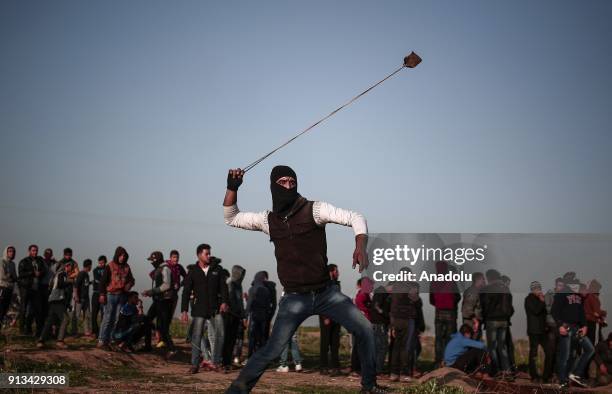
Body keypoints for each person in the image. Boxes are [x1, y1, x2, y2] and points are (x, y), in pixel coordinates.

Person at [223, 166, 382, 394]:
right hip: (294, 298)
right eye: (283, 183)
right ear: (273, 186)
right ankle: (236, 391)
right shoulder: (267, 220)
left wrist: (360, 246)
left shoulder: (315, 209)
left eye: (292, 182)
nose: (288, 186)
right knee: (273, 350)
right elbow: (231, 217)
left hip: (326, 293)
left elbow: (355, 217)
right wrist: (232, 187)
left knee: (365, 328)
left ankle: (369, 387)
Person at [181, 243, 229, 374]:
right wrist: (184, 310)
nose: (209, 256)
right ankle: (194, 365)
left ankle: (216, 363)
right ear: (199, 255)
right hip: (199, 309)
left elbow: (223, 288)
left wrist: (224, 302)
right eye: (206, 253)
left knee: (220, 334)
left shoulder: (217, 269)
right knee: (196, 336)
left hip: (216, 308)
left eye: (209, 253)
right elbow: (186, 292)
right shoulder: (193, 272)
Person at [551, 276, 595, 388]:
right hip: (566, 327)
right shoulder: (561, 294)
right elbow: (554, 311)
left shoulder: (578, 297)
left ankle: (576, 374)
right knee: (565, 355)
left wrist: (585, 326)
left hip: (577, 328)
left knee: (590, 349)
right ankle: (562, 380)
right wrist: (560, 325)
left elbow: (581, 313)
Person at [97, 246, 135, 349]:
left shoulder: (127, 267)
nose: (122, 257)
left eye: (124, 256)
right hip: (110, 295)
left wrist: (129, 285)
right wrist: (101, 294)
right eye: (121, 255)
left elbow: (132, 280)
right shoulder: (110, 266)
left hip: (121, 296)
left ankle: (109, 340)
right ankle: (101, 340)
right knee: (108, 318)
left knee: (117, 319)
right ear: (117, 255)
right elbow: (103, 282)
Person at [389, 269, 423, 382]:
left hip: (395, 319)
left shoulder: (394, 286)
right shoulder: (413, 286)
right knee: (406, 347)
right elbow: (417, 302)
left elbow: (392, 304)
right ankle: (404, 373)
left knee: (396, 346)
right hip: (408, 319)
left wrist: (392, 324)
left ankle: (394, 373)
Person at [480, 269, 513, 380]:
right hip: (504, 321)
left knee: (492, 347)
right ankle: (507, 372)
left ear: (489, 277)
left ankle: (497, 371)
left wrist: (483, 319)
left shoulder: (487, 289)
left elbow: (484, 306)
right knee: (502, 347)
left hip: (492, 320)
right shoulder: (505, 288)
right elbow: (510, 308)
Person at [142, 251, 176, 356]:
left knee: (163, 326)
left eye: (152, 260)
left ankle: (172, 349)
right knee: (148, 320)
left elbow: (166, 285)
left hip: (164, 302)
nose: (151, 262)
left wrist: (152, 292)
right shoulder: (159, 269)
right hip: (158, 300)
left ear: (156, 260)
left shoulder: (165, 268)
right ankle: (148, 346)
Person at [429, 261, 461, 367]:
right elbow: (458, 297)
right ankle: (448, 361)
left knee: (438, 338)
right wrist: (450, 304)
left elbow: (431, 299)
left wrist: (439, 305)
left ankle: (438, 361)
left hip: (438, 313)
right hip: (450, 313)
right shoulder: (451, 281)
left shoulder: (434, 281)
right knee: (449, 338)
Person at [37, 260, 72, 348]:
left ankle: (41, 340)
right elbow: (60, 284)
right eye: (70, 266)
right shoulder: (62, 274)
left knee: (50, 321)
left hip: (53, 300)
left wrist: (67, 303)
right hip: (57, 300)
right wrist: (70, 282)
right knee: (65, 319)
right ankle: (60, 341)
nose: (71, 269)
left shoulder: (57, 275)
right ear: (66, 267)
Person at [524, 281, 551, 383]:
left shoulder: (541, 299)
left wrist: (546, 325)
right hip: (534, 331)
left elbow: (545, 314)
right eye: (536, 288)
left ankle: (546, 376)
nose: (538, 290)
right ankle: (534, 376)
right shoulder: (528, 299)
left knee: (549, 352)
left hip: (543, 331)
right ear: (532, 290)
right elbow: (536, 311)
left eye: (539, 288)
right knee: (533, 354)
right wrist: (542, 301)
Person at [17, 244, 47, 336]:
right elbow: (21, 274)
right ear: (29, 251)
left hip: (36, 288)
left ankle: (37, 331)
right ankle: (22, 330)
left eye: (36, 250)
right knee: (23, 309)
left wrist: (40, 273)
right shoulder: (24, 261)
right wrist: (32, 273)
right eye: (33, 250)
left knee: (37, 309)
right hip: (26, 288)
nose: (35, 252)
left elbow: (44, 270)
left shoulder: (39, 260)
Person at [319, 264, 343, 376]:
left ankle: (335, 367)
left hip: (336, 317)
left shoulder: (337, 284)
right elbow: (321, 301)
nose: (338, 273)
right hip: (326, 317)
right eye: (336, 271)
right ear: (332, 272)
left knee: (335, 343)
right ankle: (323, 367)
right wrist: (325, 316)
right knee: (325, 343)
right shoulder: (324, 285)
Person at [223, 265, 247, 372]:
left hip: (237, 316)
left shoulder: (239, 286)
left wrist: (243, 315)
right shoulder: (230, 283)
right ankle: (224, 362)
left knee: (233, 340)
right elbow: (228, 299)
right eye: (241, 274)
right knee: (227, 339)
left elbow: (240, 302)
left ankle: (229, 361)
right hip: (229, 315)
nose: (242, 276)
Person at [247, 271, 273, 358]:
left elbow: (249, 304)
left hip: (254, 316)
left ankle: (250, 357)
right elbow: (268, 305)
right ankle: (262, 358)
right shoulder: (267, 290)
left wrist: (245, 317)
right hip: (263, 317)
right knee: (262, 338)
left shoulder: (252, 289)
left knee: (252, 337)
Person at [351, 277, 373, 376]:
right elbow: (360, 307)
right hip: (361, 323)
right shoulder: (362, 295)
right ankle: (355, 368)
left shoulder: (366, 295)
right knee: (358, 346)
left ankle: (359, 367)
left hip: (364, 322)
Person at [57, 248, 79, 338]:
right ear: (64, 254)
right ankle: (59, 330)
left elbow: (77, 272)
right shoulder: (60, 262)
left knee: (66, 306)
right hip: (61, 286)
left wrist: (69, 275)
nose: (68, 256)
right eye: (67, 254)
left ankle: (64, 330)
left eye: (70, 254)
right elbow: (57, 272)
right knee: (60, 307)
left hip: (69, 286)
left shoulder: (74, 262)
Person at [369, 282, 391, 376]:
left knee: (378, 347)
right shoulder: (381, 292)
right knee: (382, 347)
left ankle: (376, 368)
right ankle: (378, 369)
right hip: (379, 323)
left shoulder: (383, 293)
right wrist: (387, 314)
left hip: (379, 323)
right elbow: (377, 306)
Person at [461, 272, 484, 339]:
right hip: (471, 322)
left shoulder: (475, 291)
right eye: (483, 279)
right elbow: (468, 308)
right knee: (471, 342)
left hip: (473, 321)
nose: (484, 281)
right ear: (478, 280)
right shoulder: (473, 291)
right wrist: (475, 320)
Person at [74, 259, 93, 337]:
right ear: (88, 266)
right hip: (80, 298)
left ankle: (86, 331)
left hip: (86, 298)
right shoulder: (81, 274)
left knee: (87, 315)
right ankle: (74, 331)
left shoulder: (86, 275)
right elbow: (76, 286)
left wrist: (91, 282)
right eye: (90, 265)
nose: (91, 267)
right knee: (77, 315)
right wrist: (76, 296)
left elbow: (85, 284)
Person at [0, 246, 17, 328]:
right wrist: (11, 276)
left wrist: (11, 277)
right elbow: (2, 276)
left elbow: (15, 277)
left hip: (10, 288)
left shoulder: (13, 264)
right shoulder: (1, 261)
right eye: (9, 251)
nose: (11, 253)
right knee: (1, 307)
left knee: (5, 309)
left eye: (13, 251)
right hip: (2, 287)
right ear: (6, 252)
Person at [584, 279, 605, 345]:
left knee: (586, 342)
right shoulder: (593, 297)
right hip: (592, 322)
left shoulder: (585, 296)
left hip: (585, 321)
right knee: (594, 343)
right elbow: (597, 313)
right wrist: (604, 313)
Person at [167, 250, 187, 318]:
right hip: (165, 295)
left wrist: (180, 284)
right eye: (174, 257)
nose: (176, 259)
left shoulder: (179, 267)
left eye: (177, 257)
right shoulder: (165, 266)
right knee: (163, 315)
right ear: (170, 258)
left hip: (174, 294)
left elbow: (186, 277)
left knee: (170, 315)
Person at [91, 255, 107, 337]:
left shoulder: (108, 269)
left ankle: (102, 332)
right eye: (100, 263)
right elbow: (98, 280)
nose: (101, 264)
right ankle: (95, 331)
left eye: (102, 263)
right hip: (96, 293)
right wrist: (103, 281)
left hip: (104, 294)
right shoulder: (95, 270)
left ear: (105, 262)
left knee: (103, 314)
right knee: (94, 313)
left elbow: (107, 280)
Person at [40, 248, 57, 325]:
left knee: (49, 306)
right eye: (47, 253)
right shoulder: (41, 262)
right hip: (42, 286)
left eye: (50, 253)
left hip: (51, 286)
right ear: (44, 254)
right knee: (42, 306)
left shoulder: (53, 263)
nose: (48, 255)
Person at [261, 271, 277, 342]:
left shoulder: (259, 286)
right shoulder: (272, 287)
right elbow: (274, 303)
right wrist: (271, 314)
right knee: (265, 334)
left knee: (256, 335)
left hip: (258, 315)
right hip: (268, 313)